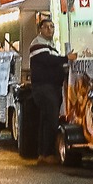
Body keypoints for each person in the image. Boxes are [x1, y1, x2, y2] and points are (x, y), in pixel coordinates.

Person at [19, 12, 67, 163]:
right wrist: (66, 59)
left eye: (52, 27)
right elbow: (47, 60)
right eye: (46, 27)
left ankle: (43, 154)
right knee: (51, 120)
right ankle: (47, 154)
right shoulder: (37, 44)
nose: (50, 30)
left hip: (51, 87)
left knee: (46, 120)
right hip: (44, 88)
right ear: (40, 29)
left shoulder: (51, 46)